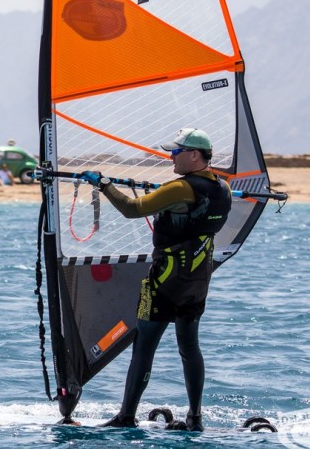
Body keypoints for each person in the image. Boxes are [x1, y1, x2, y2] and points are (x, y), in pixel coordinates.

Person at [81, 128, 232, 432]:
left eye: (175, 152)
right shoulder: (224, 188)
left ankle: (126, 416)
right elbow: (190, 213)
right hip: (197, 280)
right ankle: (195, 417)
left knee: (144, 347)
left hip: (165, 280)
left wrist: (104, 184)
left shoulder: (180, 188)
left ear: (194, 155)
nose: (170, 157)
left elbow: (132, 209)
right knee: (190, 347)